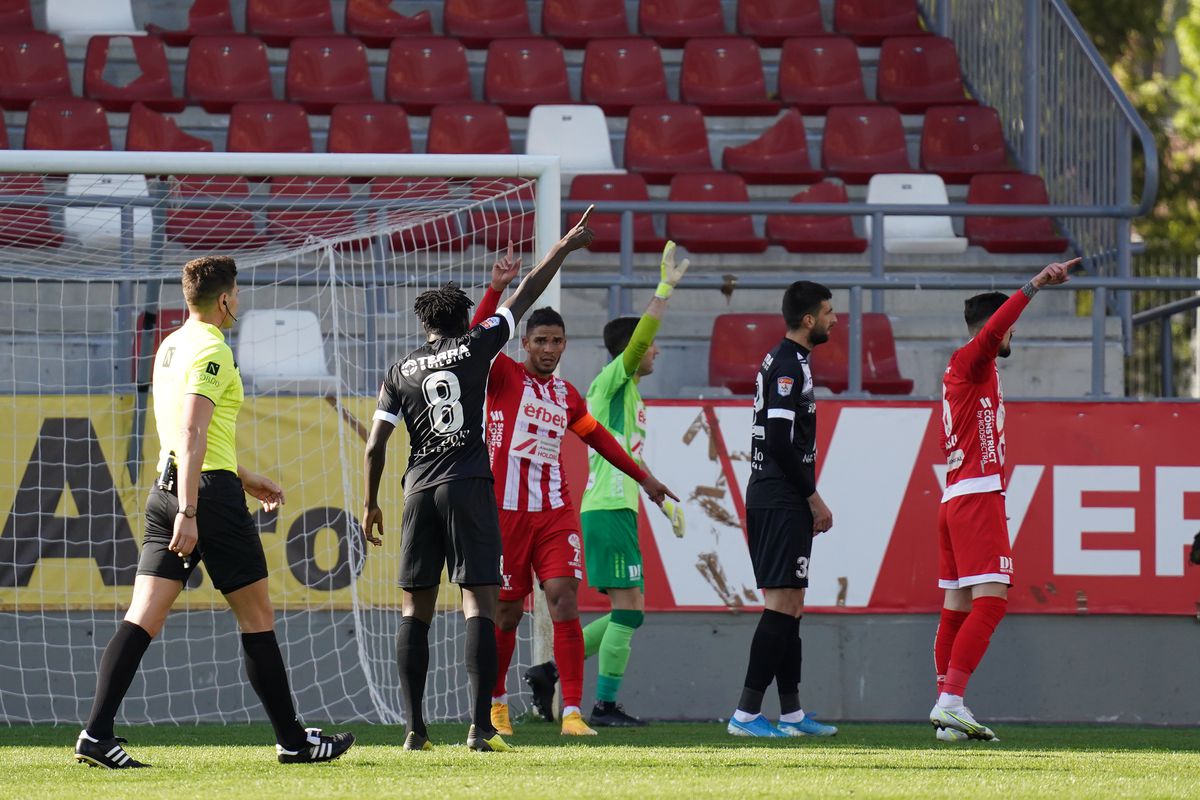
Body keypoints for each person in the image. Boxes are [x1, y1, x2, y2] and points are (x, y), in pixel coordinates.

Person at [74, 255, 354, 769]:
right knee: (257, 617)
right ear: (224, 299)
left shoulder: (170, 346)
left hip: (168, 488)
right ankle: (293, 741)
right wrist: (192, 509)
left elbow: (189, 432)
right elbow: (192, 431)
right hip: (203, 499)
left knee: (141, 618)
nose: (239, 303)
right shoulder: (213, 348)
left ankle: (95, 734)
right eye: (238, 294)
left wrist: (245, 477)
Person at [361, 209, 595, 753]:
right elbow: (528, 290)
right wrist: (560, 247)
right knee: (480, 606)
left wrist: (371, 504)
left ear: (425, 324)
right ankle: (478, 727)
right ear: (466, 319)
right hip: (468, 483)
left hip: (417, 489)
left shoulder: (400, 370)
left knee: (414, 611)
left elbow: (375, 444)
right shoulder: (475, 346)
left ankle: (415, 730)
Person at [468, 247, 678, 738]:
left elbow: (600, 438)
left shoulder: (567, 395)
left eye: (556, 341)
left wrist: (645, 478)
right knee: (505, 610)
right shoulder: (502, 376)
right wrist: (497, 289)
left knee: (563, 598)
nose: (548, 349)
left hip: (555, 512)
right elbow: (480, 336)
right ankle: (497, 701)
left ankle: (573, 714)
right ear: (524, 343)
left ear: (564, 346)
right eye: (540, 340)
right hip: (504, 512)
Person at [930, 259, 1076, 742]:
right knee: (990, 605)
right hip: (975, 496)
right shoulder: (974, 359)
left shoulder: (966, 368)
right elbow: (994, 331)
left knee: (956, 607)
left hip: (956, 497)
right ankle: (951, 700)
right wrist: (1035, 285)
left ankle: (947, 706)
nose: (1010, 338)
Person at [576, 241, 689, 728]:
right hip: (607, 508)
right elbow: (642, 341)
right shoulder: (611, 380)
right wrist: (663, 290)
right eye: (650, 344)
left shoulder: (630, 396)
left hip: (618, 506)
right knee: (631, 610)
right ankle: (602, 705)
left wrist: (658, 499)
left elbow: (627, 458)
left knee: (631, 610)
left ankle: (548, 672)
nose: (657, 350)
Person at [726, 280, 839, 739]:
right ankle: (746, 713)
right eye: (829, 312)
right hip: (779, 497)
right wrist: (812, 496)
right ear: (809, 319)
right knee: (781, 603)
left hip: (779, 495)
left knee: (793, 604)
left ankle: (791, 713)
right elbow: (777, 440)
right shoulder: (790, 365)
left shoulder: (788, 359)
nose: (835, 319)